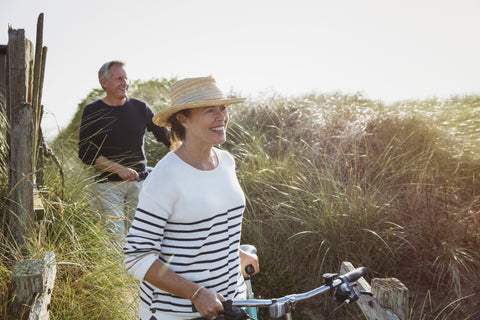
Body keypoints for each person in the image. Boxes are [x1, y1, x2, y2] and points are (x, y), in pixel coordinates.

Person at [123, 76, 259, 320]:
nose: (221, 117)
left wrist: (235, 253)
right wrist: (196, 293)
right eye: (210, 110)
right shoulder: (165, 177)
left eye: (223, 108)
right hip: (177, 314)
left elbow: (205, 227)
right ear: (183, 118)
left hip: (231, 304)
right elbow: (136, 257)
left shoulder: (227, 162)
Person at [78, 60, 170, 237]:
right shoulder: (92, 110)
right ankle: (116, 266)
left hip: (140, 184)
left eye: (126, 78)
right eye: (119, 79)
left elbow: (165, 136)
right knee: (116, 239)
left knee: (140, 238)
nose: (125, 83)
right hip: (108, 187)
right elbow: (86, 152)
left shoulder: (140, 107)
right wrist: (119, 170)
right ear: (104, 83)